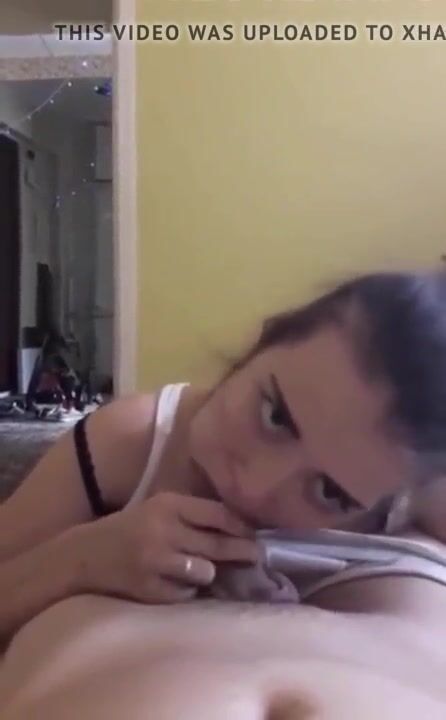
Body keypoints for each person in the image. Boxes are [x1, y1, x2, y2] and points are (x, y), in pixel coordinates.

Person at [2, 271, 446, 645]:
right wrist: (82, 557)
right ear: (263, 340)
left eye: (330, 492)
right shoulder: (130, 441)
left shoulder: (413, 500)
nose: (254, 488)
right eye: (275, 417)